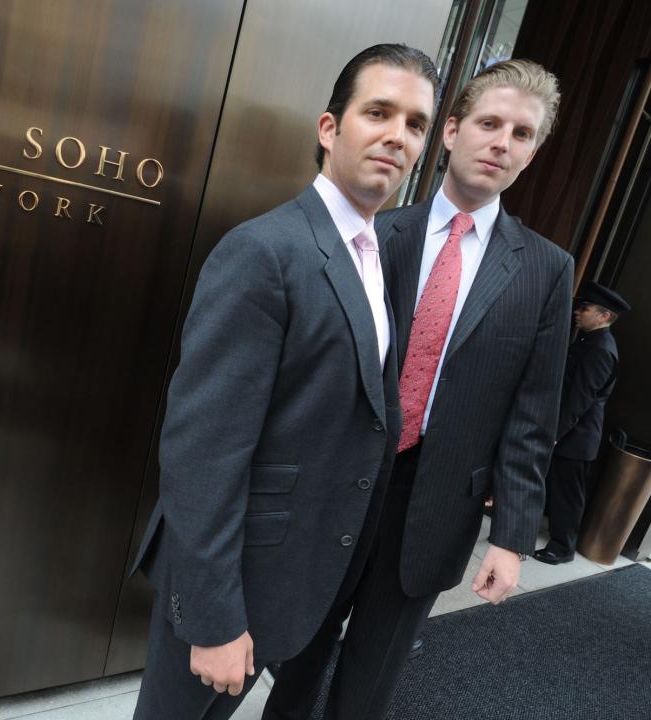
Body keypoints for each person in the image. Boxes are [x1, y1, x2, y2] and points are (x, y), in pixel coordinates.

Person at [128, 44, 438, 720]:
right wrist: (212, 619)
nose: (397, 135)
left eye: (415, 123)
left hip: (293, 576)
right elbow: (202, 450)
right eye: (378, 112)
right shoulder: (265, 251)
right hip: (229, 579)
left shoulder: (370, 253)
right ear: (329, 129)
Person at [268, 59, 573, 720]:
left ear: (533, 152)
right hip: (337, 483)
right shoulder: (374, 231)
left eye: (522, 134)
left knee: (369, 680)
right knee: (298, 660)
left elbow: (533, 414)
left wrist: (512, 535)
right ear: (451, 131)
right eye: (489, 123)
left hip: (436, 505)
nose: (502, 142)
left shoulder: (546, 270)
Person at [534, 281, 629, 564]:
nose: (578, 312)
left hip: (576, 436)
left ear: (604, 316)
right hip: (568, 432)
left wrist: (554, 434)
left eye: (585, 308)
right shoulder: (590, 340)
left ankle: (562, 547)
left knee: (567, 494)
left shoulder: (601, 348)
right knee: (556, 487)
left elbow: (579, 399)